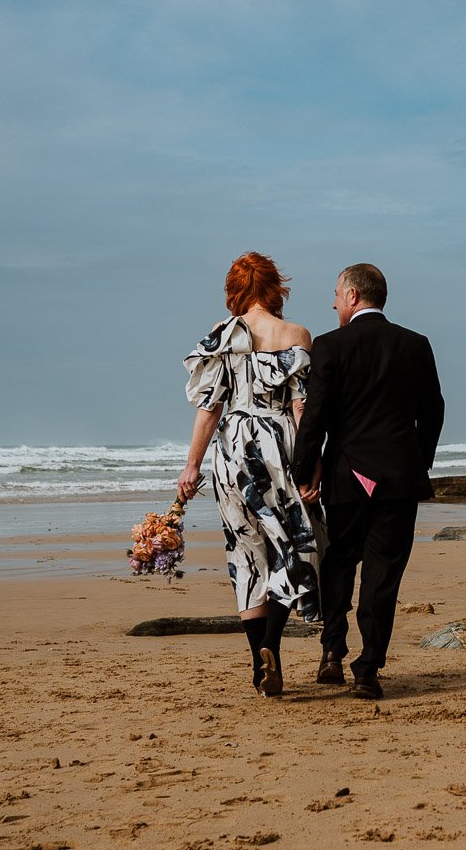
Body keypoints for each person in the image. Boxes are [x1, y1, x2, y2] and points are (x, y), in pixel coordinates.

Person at [293, 263, 444, 700]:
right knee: (384, 574)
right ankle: (368, 669)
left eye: (337, 295)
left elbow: (315, 417)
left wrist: (304, 472)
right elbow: (433, 410)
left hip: (347, 475)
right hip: (398, 477)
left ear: (354, 295)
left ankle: (332, 652)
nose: (334, 303)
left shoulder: (330, 346)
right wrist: (419, 460)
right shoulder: (415, 344)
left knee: (339, 562)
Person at [177, 252, 326, 697]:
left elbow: (209, 409)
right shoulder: (296, 334)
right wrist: (312, 461)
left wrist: (191, 466)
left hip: (232, 450)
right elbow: (302, 407)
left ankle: (260, 665)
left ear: (234, 290)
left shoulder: (222, 337)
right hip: (278, 446)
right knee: (294, 546)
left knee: (246, 554)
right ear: (275, 287)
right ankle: (273, 650)